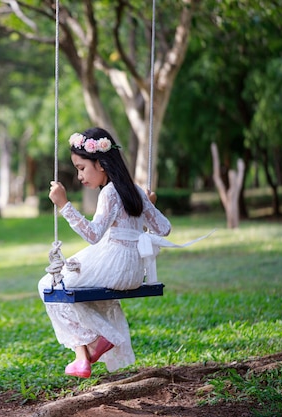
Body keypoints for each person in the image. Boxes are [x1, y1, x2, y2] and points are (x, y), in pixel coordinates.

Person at [38, 126, 171, 378]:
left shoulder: (109, 192)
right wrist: (148, 205)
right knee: (73, 289)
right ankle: (83, 358)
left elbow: (93, 235)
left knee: (49, 286)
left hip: (114, 264)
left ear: (100, 163)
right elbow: (164, 228)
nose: (79, 176)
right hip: (133, 270)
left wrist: (64, 205)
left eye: (81, 168)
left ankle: (96, 341)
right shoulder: (135, 191)